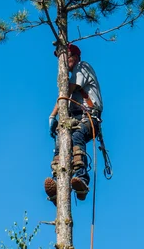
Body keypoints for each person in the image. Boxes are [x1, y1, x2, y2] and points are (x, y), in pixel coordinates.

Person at [44, 43, 103, 205]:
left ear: (75, 57)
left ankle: (81, 178)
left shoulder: (82, 67)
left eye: (68, 56)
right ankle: (57, 181)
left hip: (89, 117)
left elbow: (66, 93)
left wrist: (52, 115)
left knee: (77, 135)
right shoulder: (71, 76)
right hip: (75, 118)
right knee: (60, 140)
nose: (65, 60)